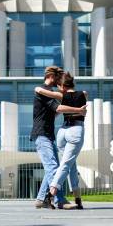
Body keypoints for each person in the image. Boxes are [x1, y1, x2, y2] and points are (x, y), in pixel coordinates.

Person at [32, 66, 87, 210]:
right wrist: (78, 110)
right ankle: (59, 199)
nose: (58, 85)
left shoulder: (48, 92)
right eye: (57, 80)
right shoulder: (46, 91)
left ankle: (40, 199)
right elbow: (58, 109)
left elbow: (55, 111)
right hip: (42, 134)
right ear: (52, 77)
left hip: (49, 134)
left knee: (53, 167)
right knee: (54, 167)